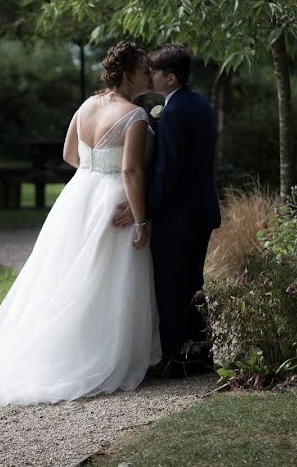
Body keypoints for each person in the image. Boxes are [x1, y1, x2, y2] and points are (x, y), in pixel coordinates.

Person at [0, 41, 161, 405]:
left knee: (67, 274)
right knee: (105, 278)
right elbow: (131, 170)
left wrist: (92, 171)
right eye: (145, 69)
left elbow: (70, 154)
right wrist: (142, 220)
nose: (151, 74)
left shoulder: (86, 106)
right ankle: (94, 354)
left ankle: (57, 348)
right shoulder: (134, 116)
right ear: (128, 75)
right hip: (114, 201)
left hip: (78, 195)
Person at [113, 43, 221, 378]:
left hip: (178, 214)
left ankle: (177, 359)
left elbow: (167, 173)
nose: (150, 76)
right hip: (200, 210)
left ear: (170, 78)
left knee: (172, 286)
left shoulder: (173, 112)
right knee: (192, 283)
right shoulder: (199, 102)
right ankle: (199, 353)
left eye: (154, 73)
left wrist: (140, 210)